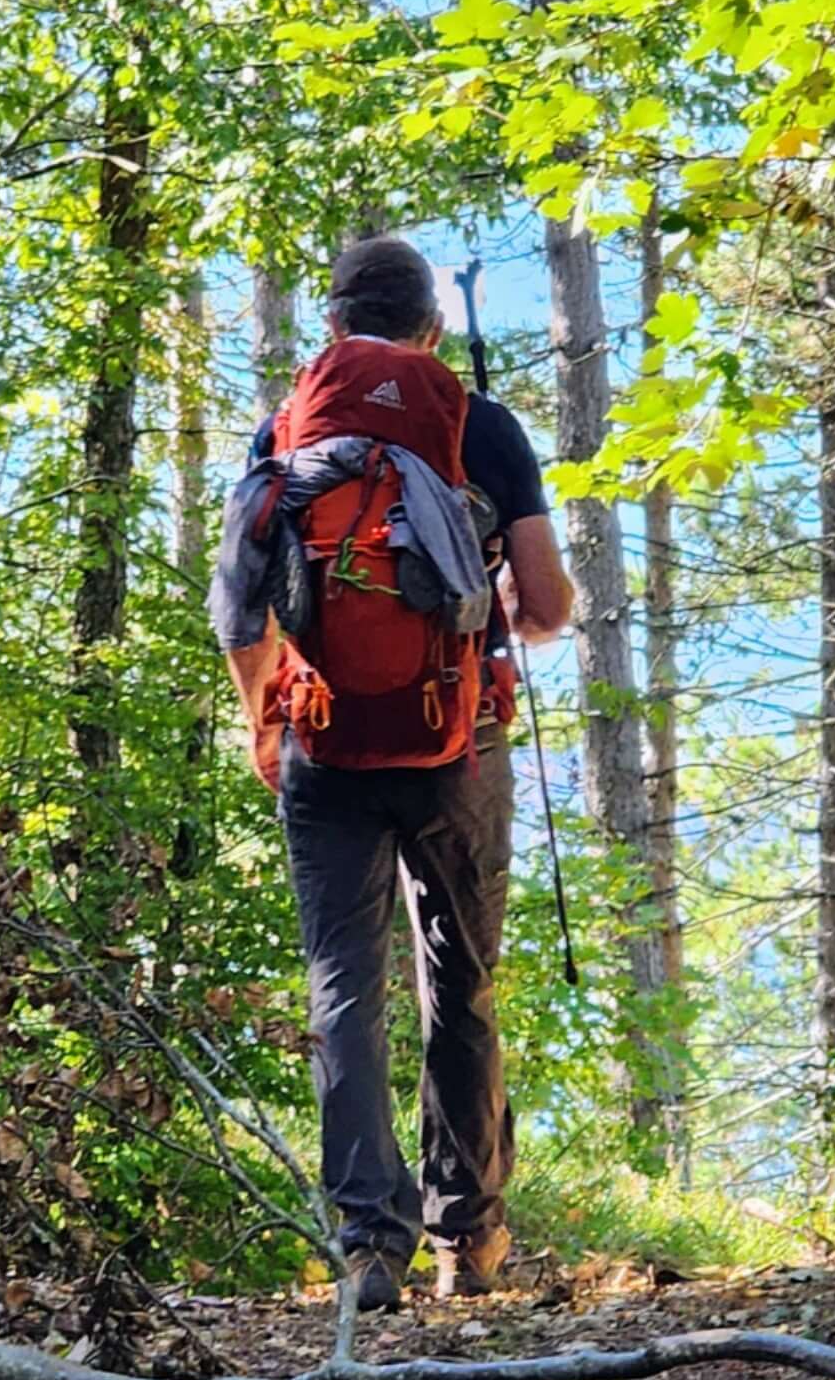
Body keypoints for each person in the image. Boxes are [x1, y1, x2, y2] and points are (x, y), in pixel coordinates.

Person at [210, 235, 575, 1314]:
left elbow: (240, 609)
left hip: (322, 739)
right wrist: (475, 621)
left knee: (343, 988)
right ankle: (467, 1239)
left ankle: (369, 1251)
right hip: (455, 739)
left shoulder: (282, 434)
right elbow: (549, 609)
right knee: (458, 978)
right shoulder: (481, 426)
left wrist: (260, 723)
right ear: (433, 330)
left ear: (331, 329)